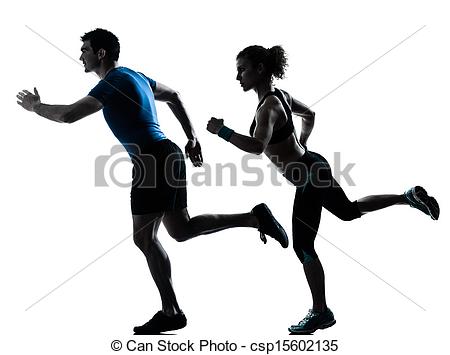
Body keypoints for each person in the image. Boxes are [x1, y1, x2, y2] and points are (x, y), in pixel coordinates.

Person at [16, 30, 289, 335]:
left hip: (151, 160)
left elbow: (67, 116)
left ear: (101, 53)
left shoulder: (112, 83)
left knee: (144, 239)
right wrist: (191, 137)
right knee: (180, 230)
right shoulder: (137, 76)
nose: (81, 55)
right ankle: (255, 218)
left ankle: (171, 311)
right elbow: (173, 96)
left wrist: (35, 108)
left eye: (85, 50)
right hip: (167, 153)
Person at [207, 45, 440, 334]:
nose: (237, 76)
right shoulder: (282, 96)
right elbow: (311, 115)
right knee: (349, 211)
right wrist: (302, 146)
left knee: (303, 246)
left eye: (242, 69)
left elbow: (256, 147)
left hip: (308, 178)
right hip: (314, 164)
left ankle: (320, 312)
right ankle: (407, 197)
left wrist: (223, 132)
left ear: (260, 69)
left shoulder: (268, 106)